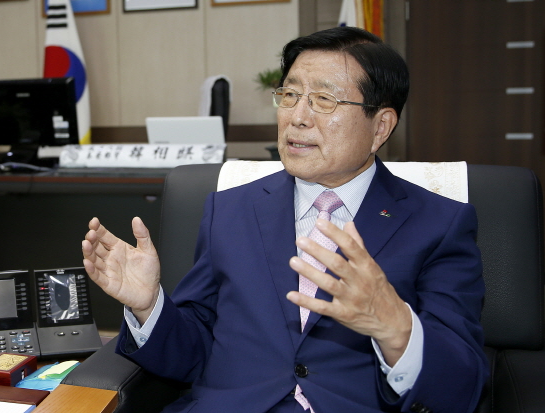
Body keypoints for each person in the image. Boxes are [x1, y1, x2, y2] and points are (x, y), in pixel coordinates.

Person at [82, 27, 488, 413]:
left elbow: (462, 384)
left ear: (380, 126)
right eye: (290, 95)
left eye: (324, 100)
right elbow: (195, 350)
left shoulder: (439, 224)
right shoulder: (230, 210)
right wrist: (149, 306)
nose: (297, 117)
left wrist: (395, 327)